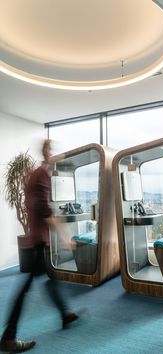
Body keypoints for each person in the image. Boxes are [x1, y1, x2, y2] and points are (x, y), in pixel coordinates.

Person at [0, 139, 78, 353]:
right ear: (46, 153)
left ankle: (65, 314)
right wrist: (64, 237)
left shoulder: (35, 174)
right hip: (37, 241)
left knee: (47, 278)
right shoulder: (42, 175)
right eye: (52, 151)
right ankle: (8, 337)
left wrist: (54, 160)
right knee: (25, 289)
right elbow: (45, 210)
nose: (56, 156)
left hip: (36, 238)